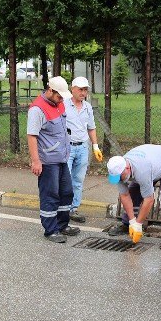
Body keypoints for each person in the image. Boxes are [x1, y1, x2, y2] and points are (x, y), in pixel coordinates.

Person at [27, 76, 81, 243]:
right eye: (58, 96)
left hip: (62, 158)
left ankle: (62, 225)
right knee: (50, 195)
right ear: (50, 91)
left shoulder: (59, 103)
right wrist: (36, 161)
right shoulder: (37, 109)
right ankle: (50, 230)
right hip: (48, 160)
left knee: (66, 192)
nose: (60, 100)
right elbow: (32, 136)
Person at [106, 144, 161, 250]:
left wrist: (138, 224)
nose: (119, 180)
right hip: (153, 163)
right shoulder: (118, 170)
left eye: (120, 177)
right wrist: (132, 222)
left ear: (127, 168)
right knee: (132, 193)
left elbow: (149, 200)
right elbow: (124, 195)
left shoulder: (142, 170)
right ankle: (127, 225)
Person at [63, 76, 102, 224]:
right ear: (72, 89)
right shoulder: (64, 105)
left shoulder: (87, 107)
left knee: (78, 180)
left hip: (82, 147)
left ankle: (73, 208)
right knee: (65, 178)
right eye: (80, 89)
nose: (83, 93)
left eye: (85, 90)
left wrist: (95, 146)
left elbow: (91, 128)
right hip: (68, 147)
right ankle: (63, 208)